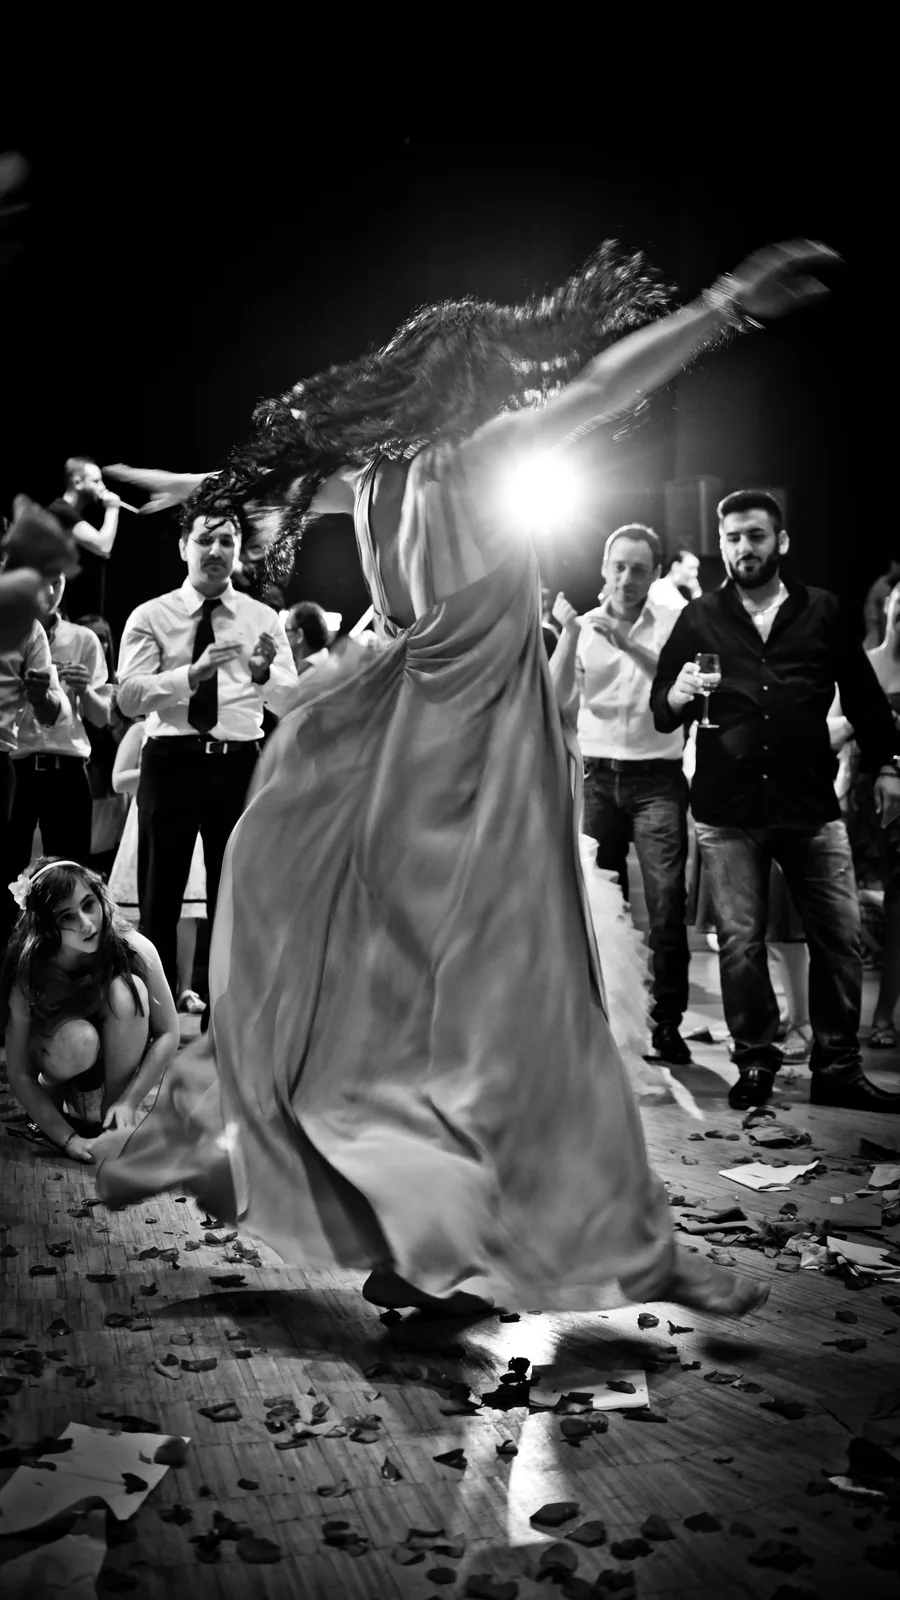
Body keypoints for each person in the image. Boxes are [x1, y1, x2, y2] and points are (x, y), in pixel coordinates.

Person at [96, 239, 837, 1319]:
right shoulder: (486, 456)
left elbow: (277, 483)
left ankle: (406, 1234)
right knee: (506, 1004)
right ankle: (496, 1238)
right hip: (472, 764)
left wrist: (188, 486)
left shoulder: (375, 476)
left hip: (389, 751)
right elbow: (606, 382)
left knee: (404, 1002)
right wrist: (731, 302)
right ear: (480, 382)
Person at [651, 488, 900, 1114]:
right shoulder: (699, 617)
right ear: (723, 544)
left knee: (839, 938)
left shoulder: (821, 610)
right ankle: (756, 1061)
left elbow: (864, 697)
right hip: (728, 807)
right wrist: (679, 693)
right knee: (741, 943)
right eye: (733, 538)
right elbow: (662, 710)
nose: (744, 548)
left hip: (808, 801)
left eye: (756, 536)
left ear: (781, 541)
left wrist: (888, 765)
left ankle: (837, 1067)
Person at [115, 509, 297, 1004]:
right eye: (204, 539)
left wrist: (262, 675)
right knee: (158, 901)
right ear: (183, 547)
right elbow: (128, 698)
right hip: (170, 761)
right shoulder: (151, 615)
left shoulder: (262, 619)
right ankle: (152, 1022)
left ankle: (226, 1026)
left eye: (227, 541)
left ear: (237, 551)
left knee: (234, 900)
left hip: (238, 764)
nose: (215, 550)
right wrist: (189, 676)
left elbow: (290, 702)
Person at [550, 525, 692, 1067]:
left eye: (638, 569)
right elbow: (559, 699)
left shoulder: (675, 623)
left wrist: (628, 643)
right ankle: (603, 1020)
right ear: (604, 568)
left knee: (667, 905)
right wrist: (569, 636)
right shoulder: (583, 626)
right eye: (619, 567)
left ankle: (668, 1023)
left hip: (658, 776)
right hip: (597, 776)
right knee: (601, 908)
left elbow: (680, 686)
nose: (627, 578)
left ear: (655, 574)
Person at [2, 857, 178, 1162]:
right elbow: (18, 1073)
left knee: (130, 991)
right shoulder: (29, 969)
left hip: (112, 1069)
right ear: (46, 927)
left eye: (88, 904)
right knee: (79, 1039)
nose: (86, 924)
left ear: (101, 897)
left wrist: (128, 1101)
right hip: (61, 1060)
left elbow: (169, 1033)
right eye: (67, 917)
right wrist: (67, 1139)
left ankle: (111, 1119)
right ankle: (49, 1109)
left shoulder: (134, 947)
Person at [4, 574, 110, 900]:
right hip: (15, 764)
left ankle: (67, 933)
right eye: (41, 581)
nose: (50, 592)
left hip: (67, 767)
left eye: (57, 582)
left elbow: (102, 717)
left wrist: (85, 689)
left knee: (71, 874)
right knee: (6, 868)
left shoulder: (83, 639)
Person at [835, 580, 900, 1048]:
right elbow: (833, 726)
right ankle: (838, 1017)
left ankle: (883, 1016)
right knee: (840, 912)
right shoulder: (864, 663)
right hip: (859, 794)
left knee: (897, 911)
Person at [108, 719, 207, 1015]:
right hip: (149, 814)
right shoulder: (141, 731)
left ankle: (184, 987)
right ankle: (140, 984)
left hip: (189, 816)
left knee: (188, 910)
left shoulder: (197, 731)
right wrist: (164, 768)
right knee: (143, 905)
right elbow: (118, 780)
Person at [46, 459, 122, 618]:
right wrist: (113, 509)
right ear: (77, 483)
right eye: (96, 481)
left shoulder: (67, 513)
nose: (103, 487)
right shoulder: (60, 511)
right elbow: (103, 546)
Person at [649, 547, 702, 611]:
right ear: (676, 566)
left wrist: (695, 592)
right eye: (691, 568)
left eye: (696, 569)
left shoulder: (679, 593)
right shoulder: (658, 588)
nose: (695, 573)